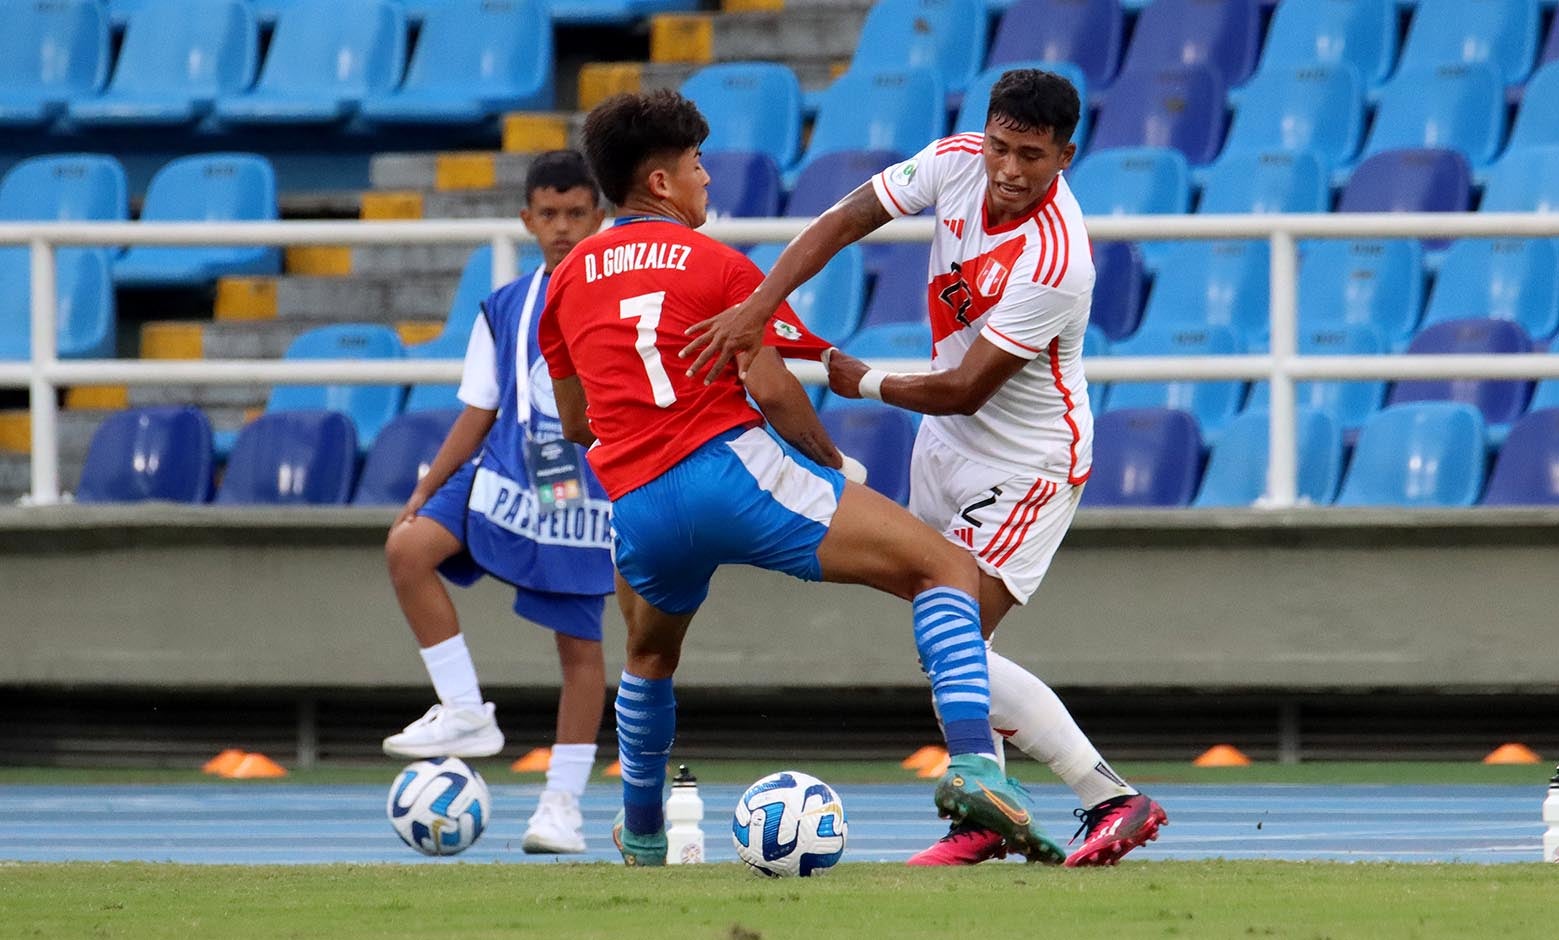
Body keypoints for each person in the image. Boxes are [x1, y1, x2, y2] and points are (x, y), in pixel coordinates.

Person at [539, 88, 1067, 867]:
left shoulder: (566, 279)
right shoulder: (716, 264)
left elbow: (577, 423)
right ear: (660, 184)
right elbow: (774, 382)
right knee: (944, 570)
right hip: (734, 475)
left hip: (639, 503)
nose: (706, 180)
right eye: (694, 166)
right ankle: (976, 769)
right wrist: (825, 460)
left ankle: (645, 834)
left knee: (648, 659)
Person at [680, 69, 1167, 868]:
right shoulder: (953, 161)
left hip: (1026, 463)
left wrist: (856, 377)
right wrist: (761, 302)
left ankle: (1110, 797)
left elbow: (963, 387)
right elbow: (842, 220)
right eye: (1002, 147)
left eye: (1032, 157)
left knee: (955, 646)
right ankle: (989, 814)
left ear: (1066, 156)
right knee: (945, 643)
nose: (1009, 170)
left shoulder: (1056, 261)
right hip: (943, 448)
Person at [381, 150, 611, 855]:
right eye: (549, 214)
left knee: (578, 646)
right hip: (508, 463)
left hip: (576, 479)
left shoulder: (612, 293)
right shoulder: (505, 304)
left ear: (597, 217)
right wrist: (426, 485)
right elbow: (480, 406)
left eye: (576, 213)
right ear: (527, 219)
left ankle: (561, 805)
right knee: (408, 546)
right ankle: (462, 709)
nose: (563, 227)